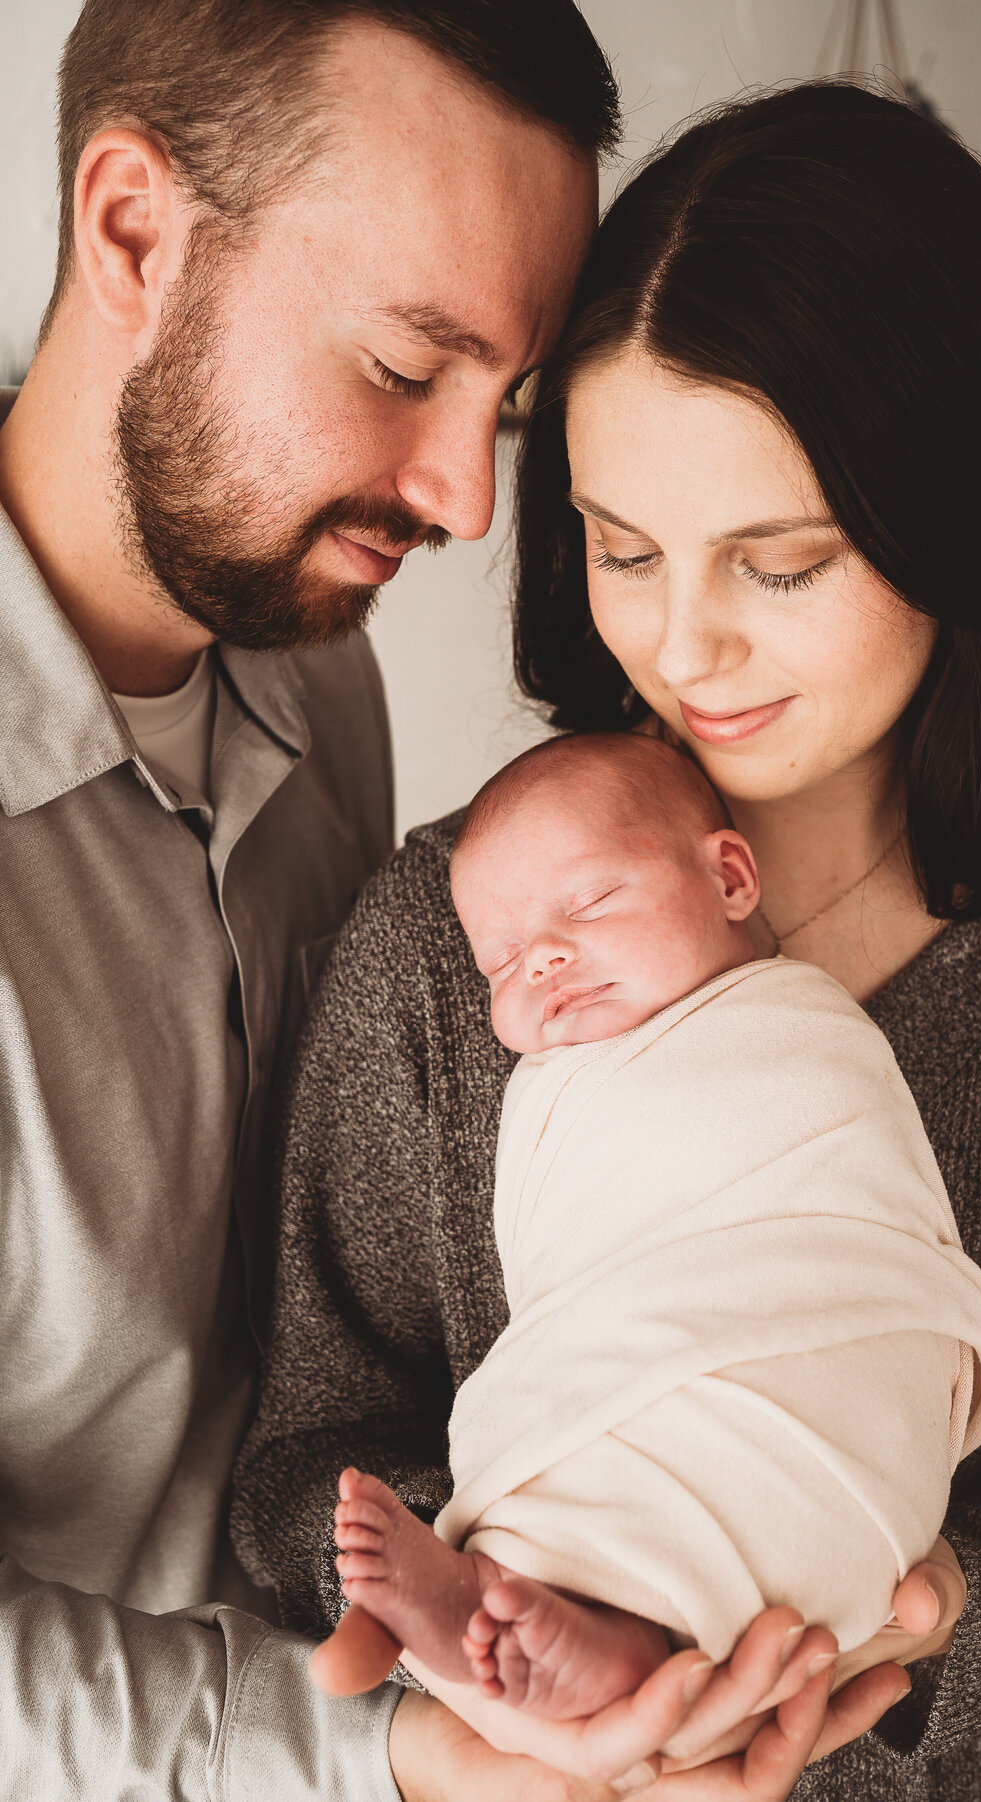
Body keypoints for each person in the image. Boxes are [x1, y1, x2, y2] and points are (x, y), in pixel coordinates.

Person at [234, 79, 981, 1802]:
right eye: (622, 547)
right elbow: (309, 1452)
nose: (686, 646)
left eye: (784, 561)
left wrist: (937, 1613)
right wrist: (480, 1662)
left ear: (953, 526)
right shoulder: (449, 950)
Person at [0, 1, 615, 1797]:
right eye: (406, 366)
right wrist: (376, 1757)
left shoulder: (317, 669)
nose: (464, 495)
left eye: (504, 398)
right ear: (132, 230)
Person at [302, 732, 981, 1725]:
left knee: (695, 1456)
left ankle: (548, 1619)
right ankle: (563, 1630)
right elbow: (566, 1301)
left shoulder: (800, 1035)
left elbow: (860, 1215)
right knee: (595, 1469)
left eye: (586, 904)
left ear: (727, 875)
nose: (541, 956)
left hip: (832, 1434)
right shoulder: (536, 1079)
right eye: (499, 960)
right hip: (638, 1419)